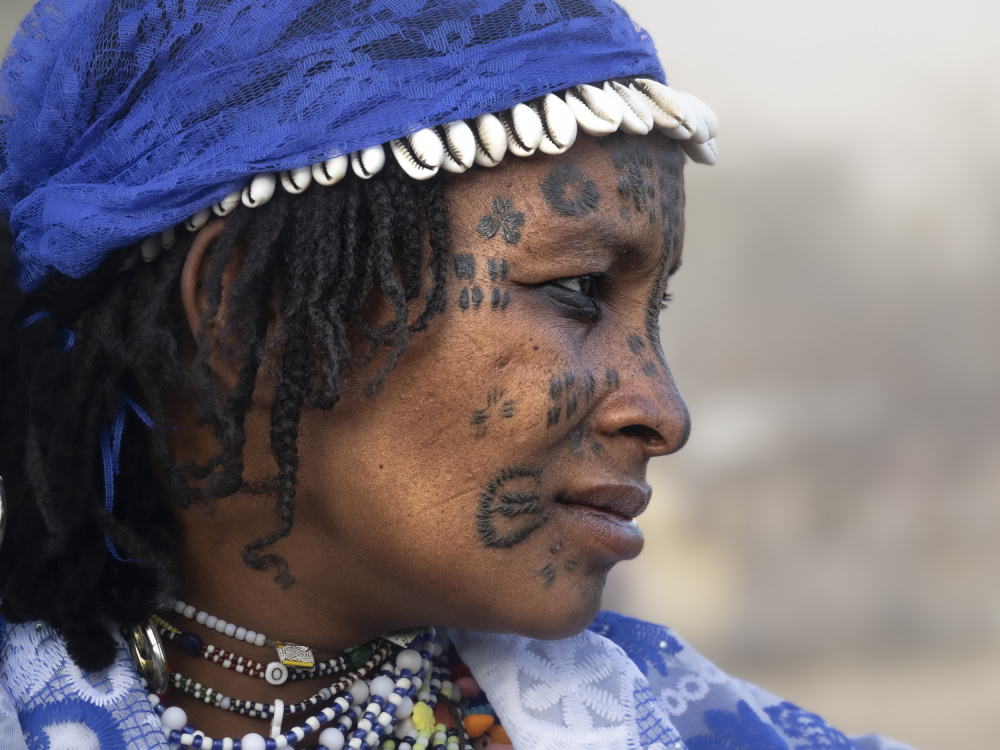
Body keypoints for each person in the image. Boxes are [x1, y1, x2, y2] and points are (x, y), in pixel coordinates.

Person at [0, 1, 914, 749]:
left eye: (655, 315)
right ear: (249, 315)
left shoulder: (687, 729)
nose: (663, 415)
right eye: (578, 290)